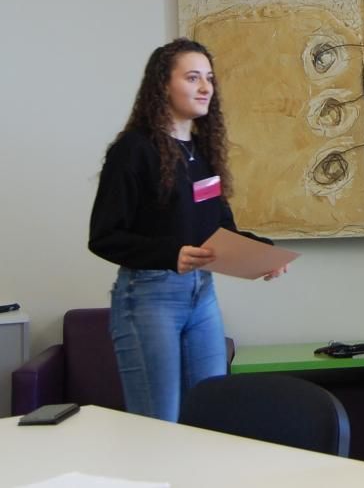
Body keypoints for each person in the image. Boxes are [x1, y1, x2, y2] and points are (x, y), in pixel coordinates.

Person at [89, 38, 286, 422]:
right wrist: (170, 254)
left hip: (202, 297)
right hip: (148, 299)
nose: (205, 87)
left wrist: (263, 254)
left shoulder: (201, 151)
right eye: (192, 77)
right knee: (160, 424)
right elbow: (104, 235)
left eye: (209, 78)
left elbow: (221, 229)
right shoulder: (132, 150)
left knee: (211, 416)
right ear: (163, 85)